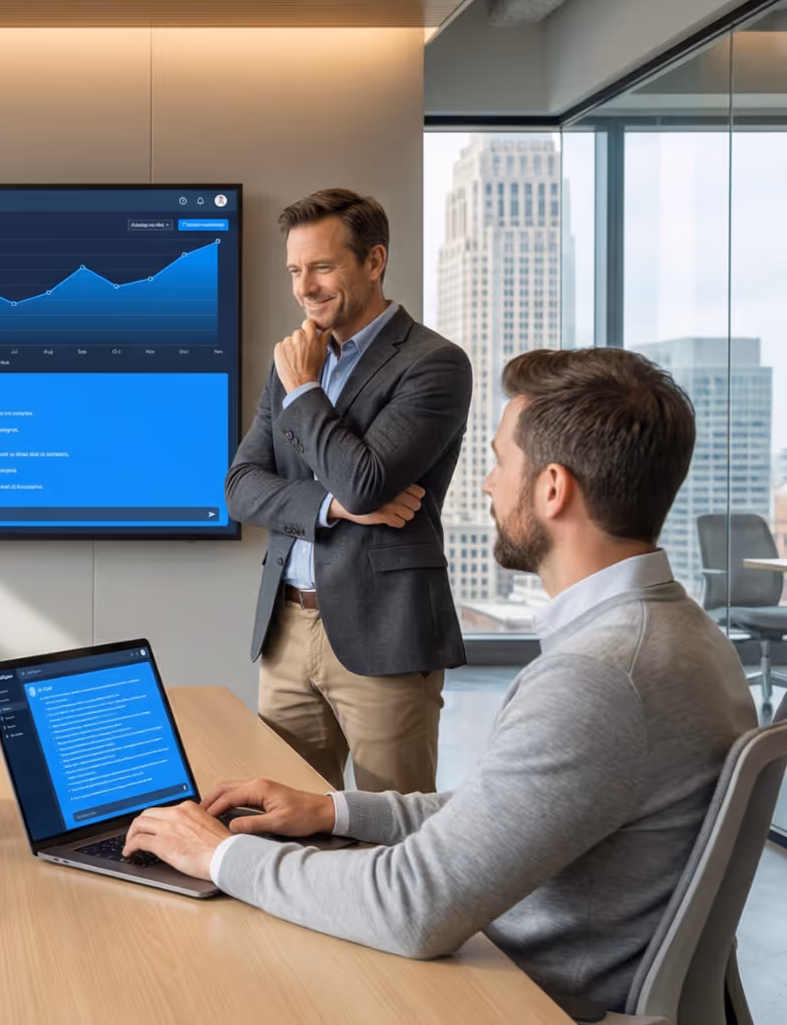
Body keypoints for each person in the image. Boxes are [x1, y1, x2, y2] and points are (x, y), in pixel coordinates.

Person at [126, 347, 758, 1022]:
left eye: (498, 460)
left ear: (552, 488)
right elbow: (502, 813)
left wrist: (220, 853)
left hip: (513, 995)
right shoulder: (684, 634)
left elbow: (411, 905)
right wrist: (335, 811)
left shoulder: (600, 677)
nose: (486, 483)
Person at [225, 189, 472, 794]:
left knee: (392, 831)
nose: (305, 286)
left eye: (322, 267)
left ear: (374, 261)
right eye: (294, 270)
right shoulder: (290, 362)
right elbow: (240, 486)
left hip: (384, 632)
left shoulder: (433, 363)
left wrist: (307, 392)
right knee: (280, 821)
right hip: (286, 629)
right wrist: (332, 507)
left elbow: (366, 481)